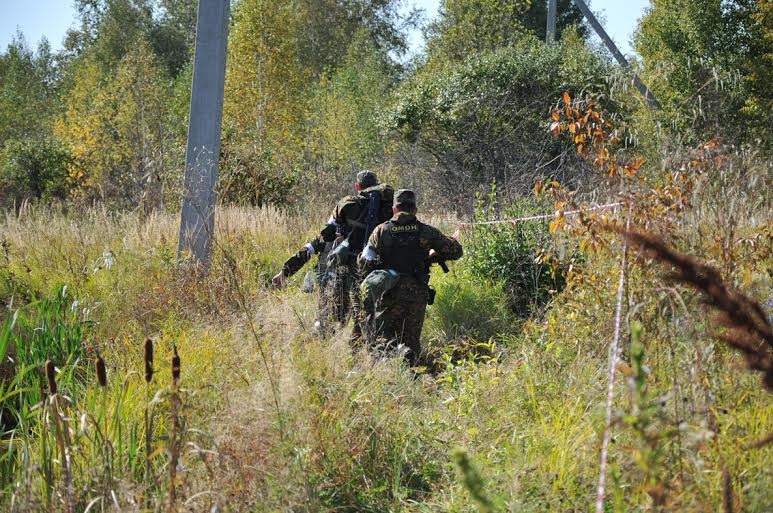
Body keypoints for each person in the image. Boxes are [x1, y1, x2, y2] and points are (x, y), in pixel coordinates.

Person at [272, 170, 394, 341]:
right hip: (377, 273)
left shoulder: (346, 206)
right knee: (366, 320)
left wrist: (285, 272)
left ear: (357, 187)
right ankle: (365, 352)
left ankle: (332, 348)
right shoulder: (388, 209)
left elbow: (316, 243)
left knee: (334, 321)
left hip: (344, 273)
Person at [358, 189, 462, 365]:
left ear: (394, 209)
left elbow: (364, 264)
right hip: (417, 293)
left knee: (384, 339)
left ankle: (390, 373)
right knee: (411, 341)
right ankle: (413, 370)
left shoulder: (381, 231)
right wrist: (437, 252)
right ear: (415, 209)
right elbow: (456, 252)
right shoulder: (427, 232)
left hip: (389, 292)